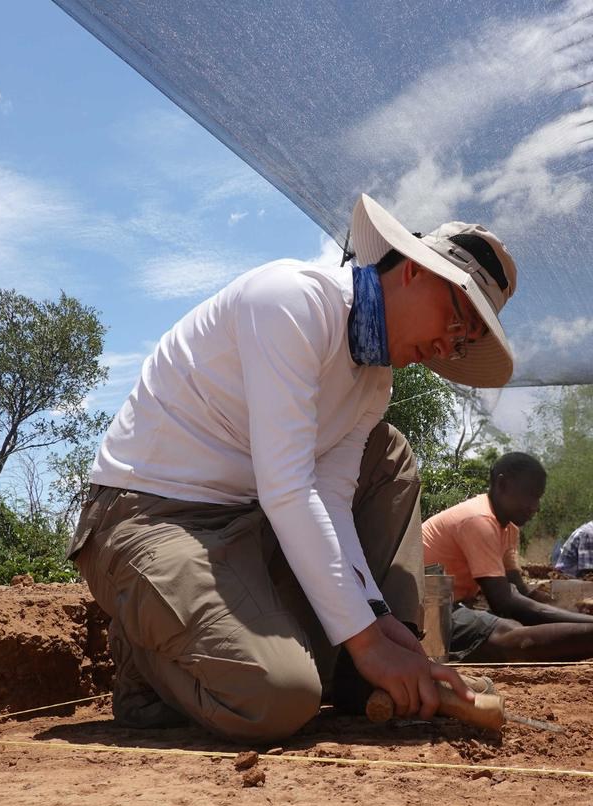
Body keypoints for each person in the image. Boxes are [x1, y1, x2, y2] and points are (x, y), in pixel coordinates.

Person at [69, 193, 518, 742]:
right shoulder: (292, 301)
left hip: (249, 523)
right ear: (415, 272)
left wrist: (378, 622)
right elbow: (288, 489)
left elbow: (328, 499)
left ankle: (363, 671)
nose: (450, 346)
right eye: (457, 319)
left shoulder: (375, 381)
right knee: (279, 698)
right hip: (150, 520)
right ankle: (145, 660)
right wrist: (366, 640)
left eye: (465, 340)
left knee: (387, 453)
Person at [422, 453, 593, 662]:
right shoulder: (479, 521)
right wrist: (584, 621)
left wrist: (566, 609)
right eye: (530, 495)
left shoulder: (508, 527)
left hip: (450, 605)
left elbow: (519, 590)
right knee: (511, 634)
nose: (536, 506)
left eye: (538, 497)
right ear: (502, 484)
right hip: (420, 611)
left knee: (521, 628)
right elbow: (504, 602)